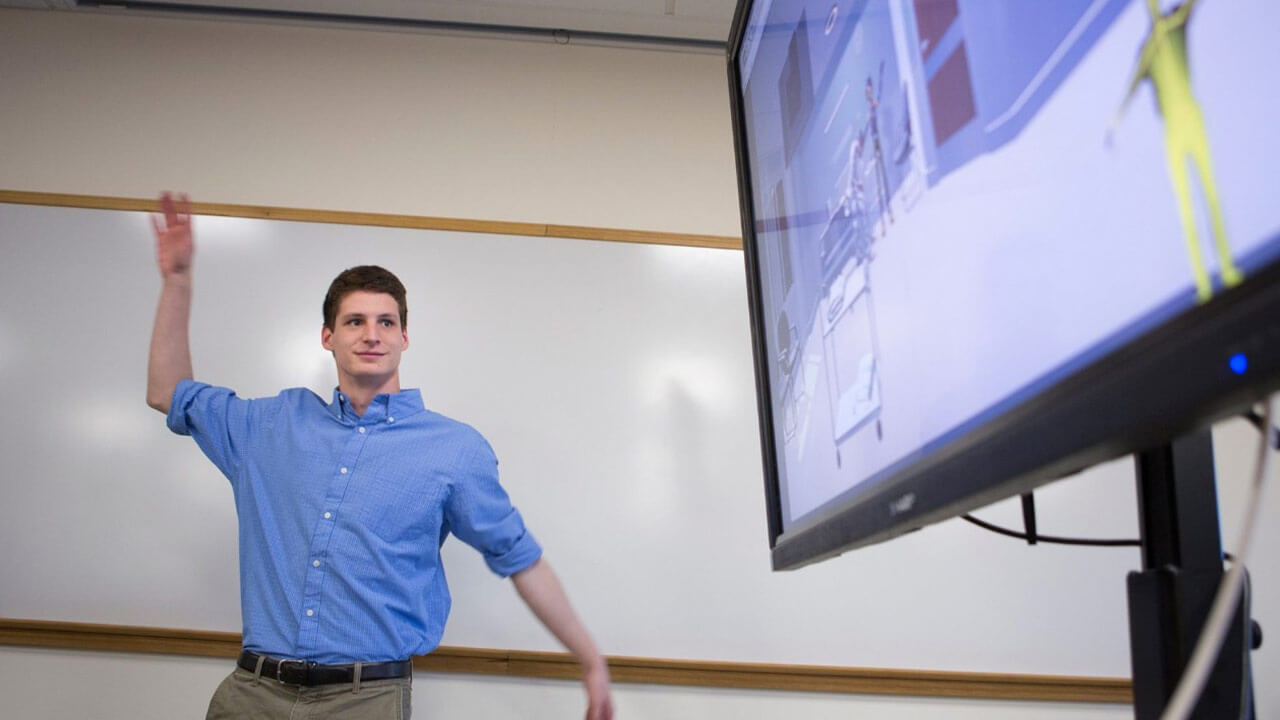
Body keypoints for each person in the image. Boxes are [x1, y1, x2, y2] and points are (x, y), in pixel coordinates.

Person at [146, 192, 614, 720]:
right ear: (328, 336)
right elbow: (168, 392)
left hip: (364, 700)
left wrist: (590, 658)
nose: (371, 334)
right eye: (354, 321)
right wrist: (178, 282)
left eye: (386, 322)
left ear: (404, 337)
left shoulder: (453, 450)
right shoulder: (270, 426)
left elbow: (520, 558)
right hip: (252, 696)